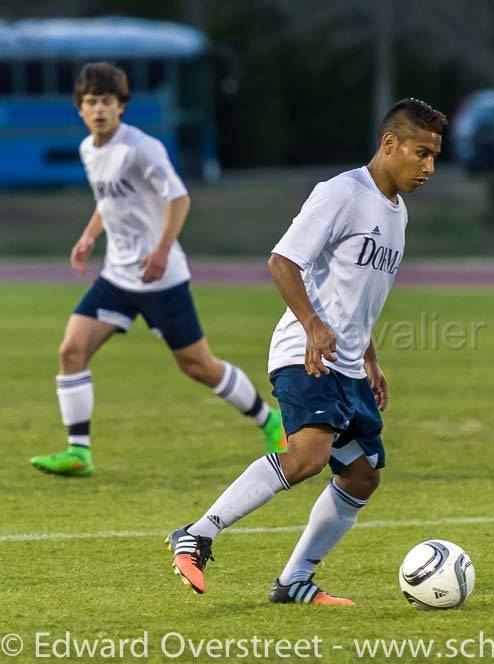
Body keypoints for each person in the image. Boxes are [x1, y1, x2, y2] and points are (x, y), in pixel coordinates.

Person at [166, 98, 446, 605]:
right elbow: (281, 261)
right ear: (390, 144)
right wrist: (313, 325)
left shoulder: (398, 214)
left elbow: (359, 294)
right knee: (307, 456)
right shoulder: (341, 192)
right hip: (305, 351)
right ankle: (198, 533)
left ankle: (293, 581)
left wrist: (371, 357)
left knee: (362, 476)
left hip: (348, 361)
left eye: (434, 157)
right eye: (421, 153)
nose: (429, 167)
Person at [29, 62, 286, 478]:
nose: (99, 110)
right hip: (117, 276)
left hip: (160, 278)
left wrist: (163, 249)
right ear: (79, 108)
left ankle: (268, 419)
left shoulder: (141, 148)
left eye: (107, 102)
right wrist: (88, 236)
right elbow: (110, 201)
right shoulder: (88, 150)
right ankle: (79, 452)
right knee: (70, 350)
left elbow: (179, 197)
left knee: (198, 366)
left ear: (121, 106)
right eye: (91, 102)